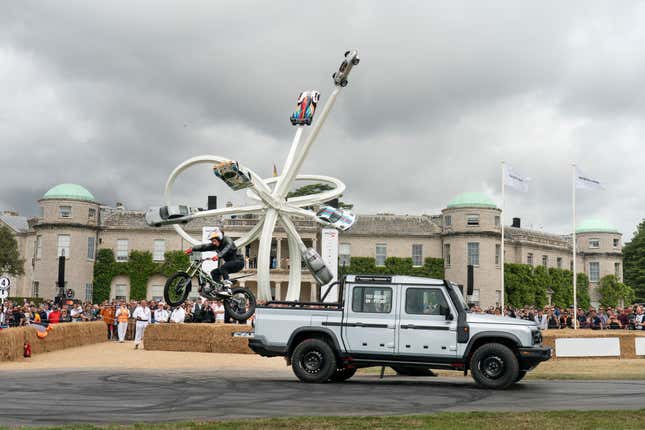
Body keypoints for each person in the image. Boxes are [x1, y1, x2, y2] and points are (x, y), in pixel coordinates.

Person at [185, 228, 244, 297]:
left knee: (223, 267)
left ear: (219, 239)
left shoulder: (227, 240)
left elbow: (227, 248)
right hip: (230, 264)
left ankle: (227, 289)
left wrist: (218, 255)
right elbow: (204, 247)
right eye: (212, 241)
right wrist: (192, 249)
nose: (213, 243)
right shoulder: (215, 245)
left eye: (214, 241)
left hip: (238, 262)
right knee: (214, 272)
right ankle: (219, 288)